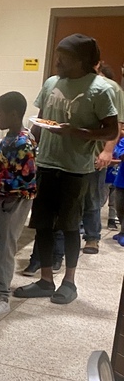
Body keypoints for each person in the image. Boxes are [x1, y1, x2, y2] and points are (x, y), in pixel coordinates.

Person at [14, 34, 118, 306]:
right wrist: (28, 148)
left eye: (64, 57)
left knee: (70, 227)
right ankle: (46, 280)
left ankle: (69, 282)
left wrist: (78, 132)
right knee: (42, 225)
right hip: (46, 163)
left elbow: (111, 130)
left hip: (76, 169)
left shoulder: (100, 89)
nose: (57, 61)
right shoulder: (51, 83)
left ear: (81, 60)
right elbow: (40, 120)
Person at [0, 92, 37, 317]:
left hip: (12, 201)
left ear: (13, 114)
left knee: (3, 248)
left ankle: (2, 296)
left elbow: (26, 180)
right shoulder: (8, 138)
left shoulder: (23, 142)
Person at [82, 62, 124, 248]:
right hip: (73, 152)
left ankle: (92, 236)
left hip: (95, 152)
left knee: (93, 197)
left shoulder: (111, 88)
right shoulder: (75, 83)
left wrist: (107, 151)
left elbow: (117, 124)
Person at [107, 123, 124, 245]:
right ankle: (122, 230)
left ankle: (123, 232)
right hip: (121, 181)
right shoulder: (123, 141)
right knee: (120, 208)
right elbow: (120, 154)